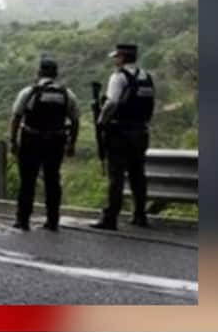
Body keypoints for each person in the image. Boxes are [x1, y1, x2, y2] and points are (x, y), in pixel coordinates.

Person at [10, 57, 80, 231]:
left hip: (31, 140)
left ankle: (23, 220)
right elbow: (75, 120)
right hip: (56, 142)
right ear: (55, 74)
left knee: (28, 181)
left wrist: (13, 141)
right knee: (52, 180)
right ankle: (52, 220)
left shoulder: (29, 92)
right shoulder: (67, 94)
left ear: (39, 72)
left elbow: (17, 117)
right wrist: (71, 144)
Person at [91, 44, 155, 230]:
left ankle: (111, 218)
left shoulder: (118, 77)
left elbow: (112, 103)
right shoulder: (146, 77)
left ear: (122, 58)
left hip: (120, 133)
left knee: (116, 176)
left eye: (116, 57)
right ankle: (140, 215)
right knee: (138, 175)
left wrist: (101, 122)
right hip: (140, 132)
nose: (114, 60)